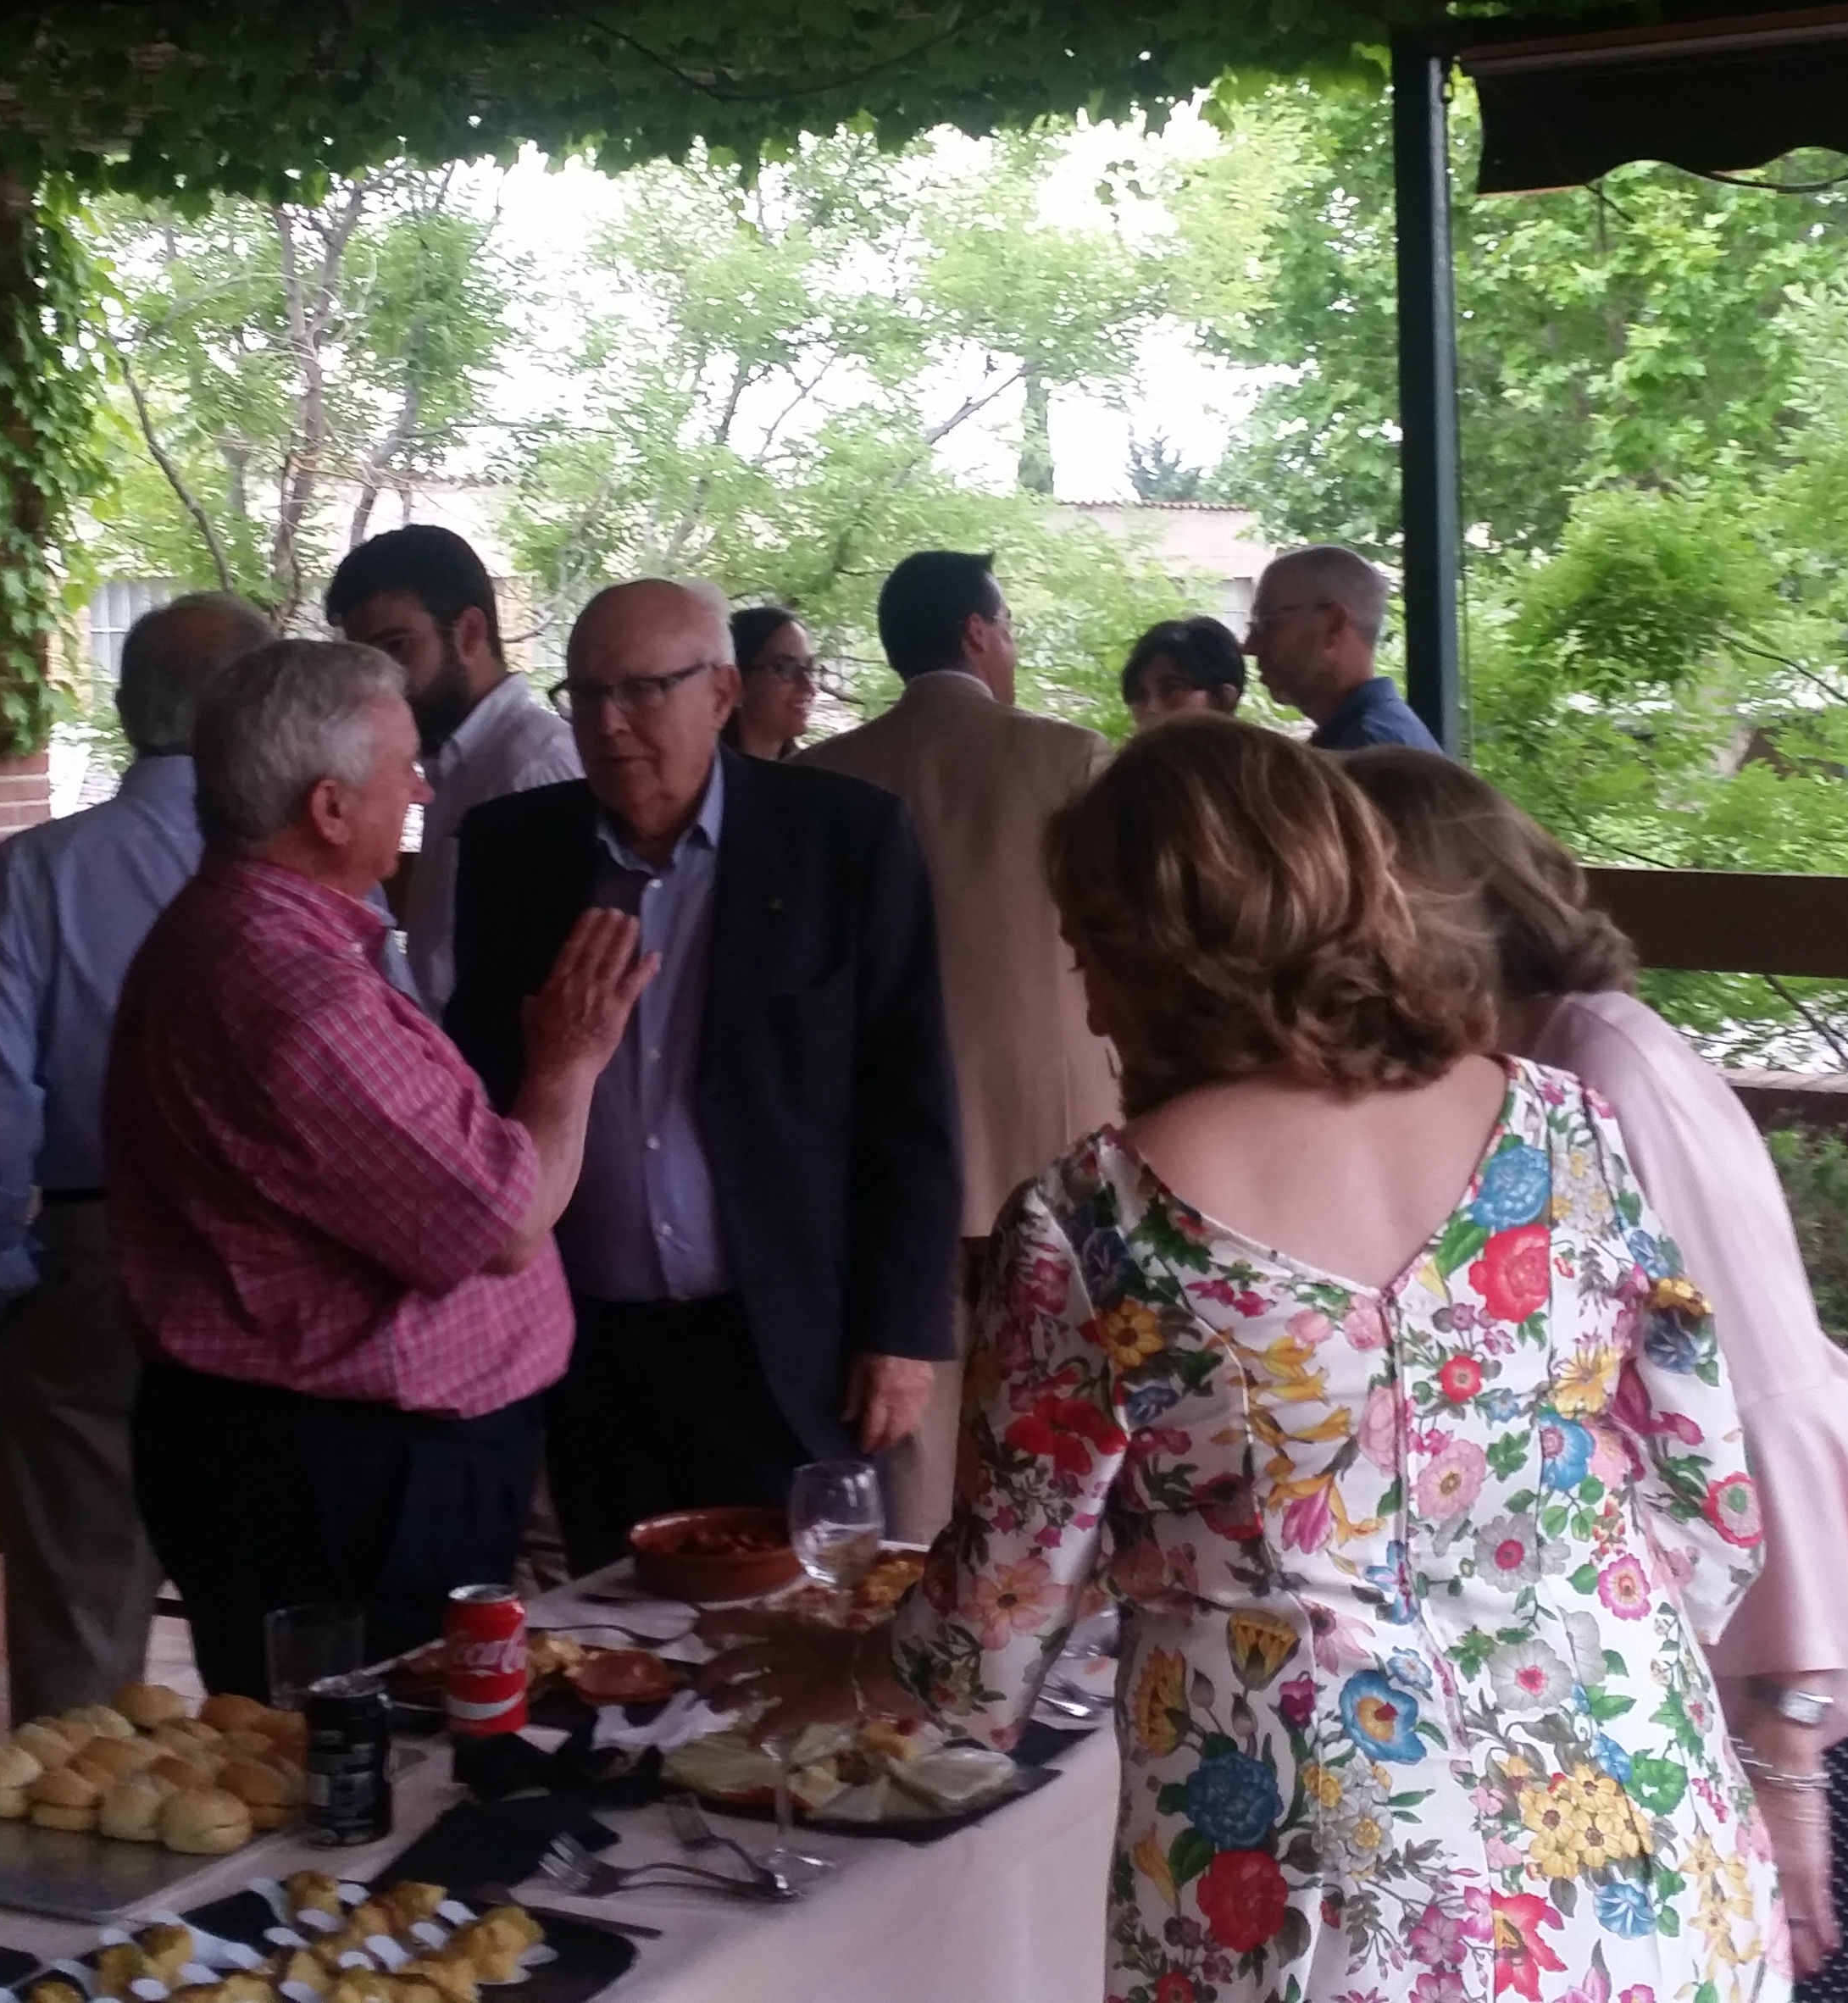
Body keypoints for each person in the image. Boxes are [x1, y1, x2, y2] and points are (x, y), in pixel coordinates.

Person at [721, 718, 1779, 2002]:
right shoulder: (1568, 1130)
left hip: (1313, 1886)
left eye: (1088, 954)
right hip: (1637, 1839)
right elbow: (1711, 1512)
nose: (1089, 1003)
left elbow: (993, 1637)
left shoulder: (1095, 1220)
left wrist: (846, 1666)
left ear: (1163, 955)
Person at [1348, 746, 1848, 2002]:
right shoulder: (1520, 1071)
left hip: (1811, 1675)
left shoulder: (1602, 1067)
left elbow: (1769, 1402)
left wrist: (1786, 1758)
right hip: (1741, 1663)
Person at [103, 639, 650, 1689]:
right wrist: (569, 1060)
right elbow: (504, 1221)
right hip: (342, 1484)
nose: (421, 785)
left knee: (343, 1772)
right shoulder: (295, 992)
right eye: (403, 767)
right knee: (372, 1783)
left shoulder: (241, 935)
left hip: (312, 1462)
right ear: (329, 808)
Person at [443, 578, 966, 1577]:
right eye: (585, 695)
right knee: (612, 1644)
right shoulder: (516, 856)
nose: (608, 724)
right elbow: (478, 1085)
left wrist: (901, 1330)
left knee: (797, 1638)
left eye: (642, 691)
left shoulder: (841, 840)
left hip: (780, 1339)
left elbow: (909, 1101)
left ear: (722, 692)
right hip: (591, 1350)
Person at [0, 592, 279, 1720]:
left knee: (82, 1626)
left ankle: (74, 1877)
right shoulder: (311, 862)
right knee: (278, 1623)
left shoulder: (37, 873)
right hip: (282, 1274)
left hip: (99, 1255)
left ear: (126, 711)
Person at [802, 551, 1118, 1540]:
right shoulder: (1070, 758)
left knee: (914, 1397)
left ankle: (916, 1595)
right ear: (979, 634)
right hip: (1051, 1125)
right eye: (1010, 626)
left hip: (882, 1143)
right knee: (1062, 1387)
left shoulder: (819, 777)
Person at [329, 523, 581, 1013]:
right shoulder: (455, 763)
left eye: (396, 646)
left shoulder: (534, 767)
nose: (381, 684)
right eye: (365, 660)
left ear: (468, 633)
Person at [1245, 544, 1440, 754]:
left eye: (1265, 625)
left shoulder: (1366, 753)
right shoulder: (1377, 734)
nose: (1248, 646)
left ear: (1333, 625)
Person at [724, 603, 817, 760]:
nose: (809, 687)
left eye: (810, 669)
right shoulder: (702, 777)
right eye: (785, 668)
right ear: (736, 685)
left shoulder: (812, 777)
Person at [1116, 614, 1246, 725]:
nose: (1151, 708)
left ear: (1224, 699)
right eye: (1139, 695)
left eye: (1171, 689)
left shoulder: (1259, 754)